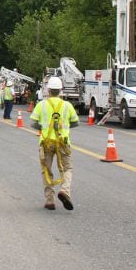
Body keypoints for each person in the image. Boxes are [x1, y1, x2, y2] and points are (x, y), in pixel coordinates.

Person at [30, 76, 78, 211]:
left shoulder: (42, 105)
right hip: (63, 142)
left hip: (46, 143)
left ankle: (50, 200)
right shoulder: (67, 106)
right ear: (61, 90)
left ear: (48, 90)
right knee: (67, 168)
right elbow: (76, 122)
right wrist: (65, 127)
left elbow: (33, 122)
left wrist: (44, 129)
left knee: (47, 170)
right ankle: (65, 190)